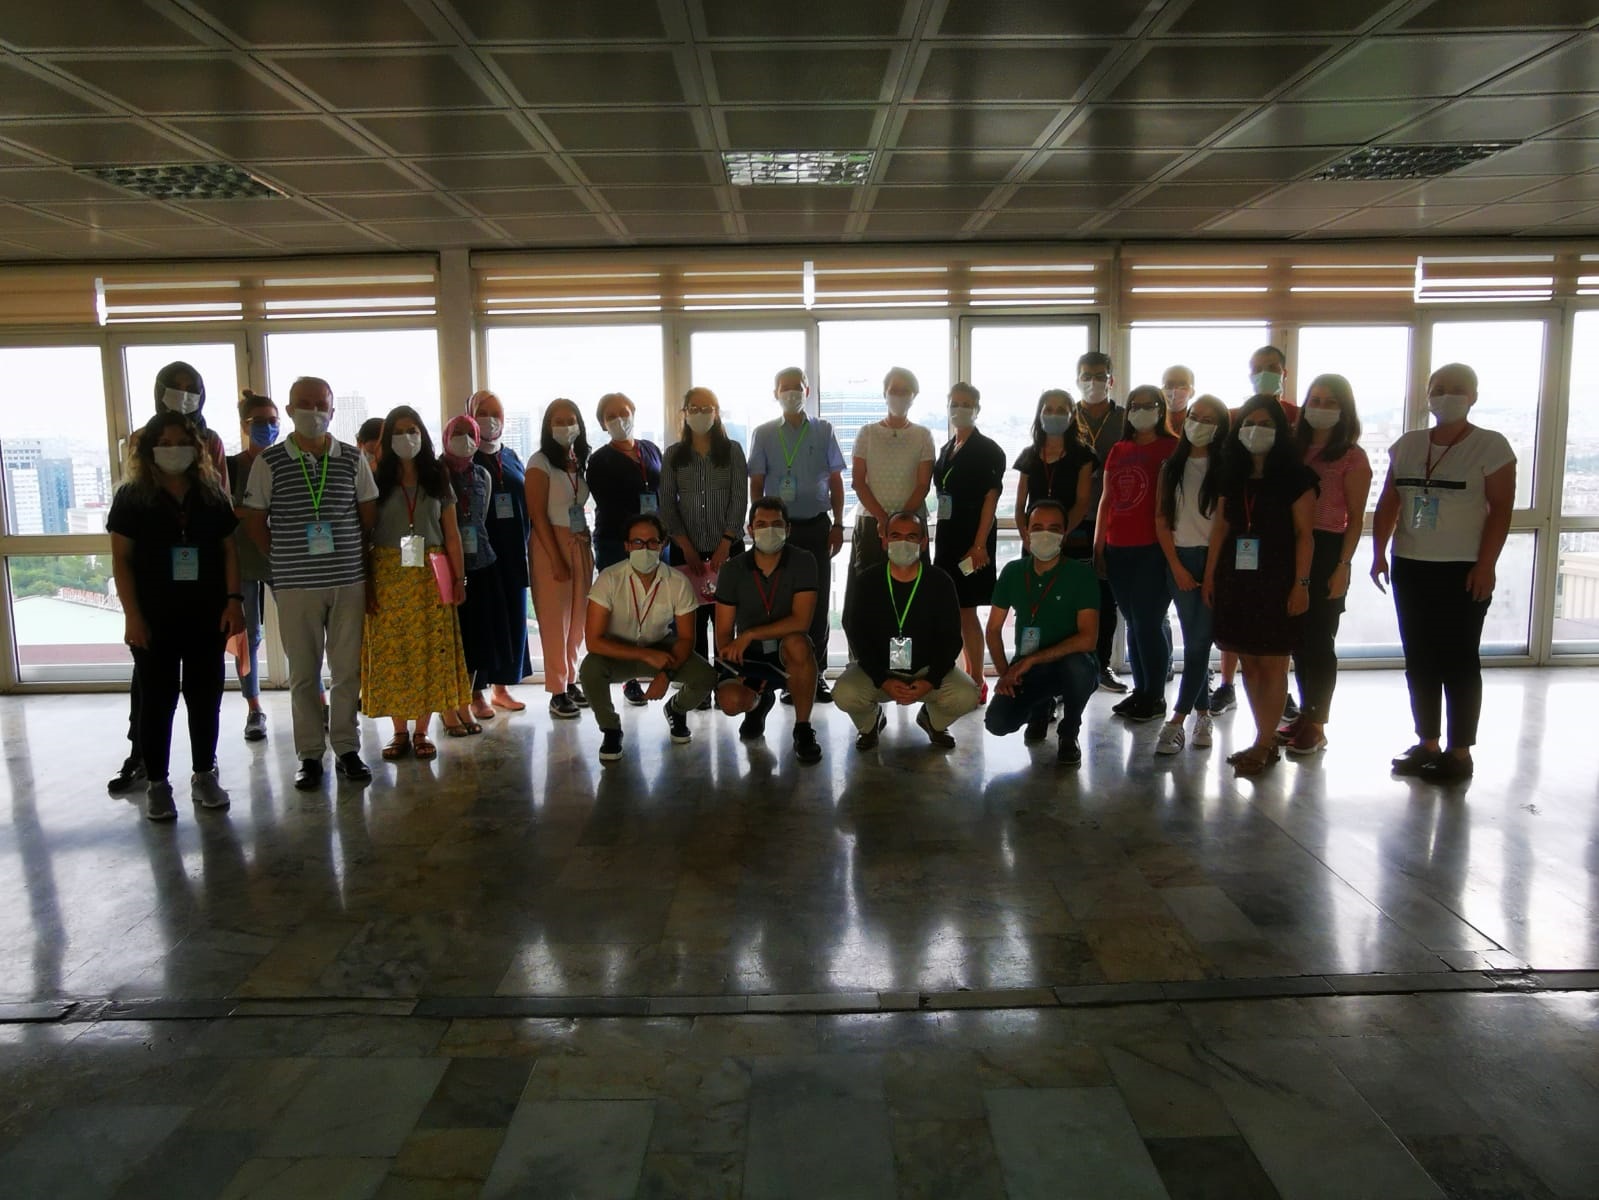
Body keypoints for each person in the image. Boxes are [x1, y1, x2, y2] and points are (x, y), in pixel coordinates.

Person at [1371, 363, 1514, 784]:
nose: (1446, 396)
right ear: (1427, 395)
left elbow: (1500, 510)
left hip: (1463, 568)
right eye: (1439, 389)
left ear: (1473, 397)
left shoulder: (1491, 446)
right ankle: (1427, 743)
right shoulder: (1408, 445)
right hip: (1412, 565)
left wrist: (1486, 565)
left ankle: (1459, 751)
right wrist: (1379, 553)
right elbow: (1389, 502)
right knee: (1419, 658)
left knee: (1459, 659)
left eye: (1457, 389)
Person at [242, 376, 377, 790]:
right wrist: (284, 560)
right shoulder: (270, 462)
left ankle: (347, 748)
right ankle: (310, 756)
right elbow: (252, 520)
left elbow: (367, 513)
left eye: (321, 404)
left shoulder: (353, 459)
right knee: (303, 673)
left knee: (346, 671)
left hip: (347, 581)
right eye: (304, 403)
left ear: (332, 411)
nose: (313, 411)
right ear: (289, 410)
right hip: (296, 585)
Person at [108, 412, 245, 820]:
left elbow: (228, 551)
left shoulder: (211, 494)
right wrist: (132, 616)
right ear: (149, 450)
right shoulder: (132, 497)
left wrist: (234, 600)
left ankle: (204, 774)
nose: (173, 451)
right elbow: (121, 560)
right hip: (154, 616)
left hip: (206, 612)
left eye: (180, 442)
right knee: (158, 700)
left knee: (205, 698)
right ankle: (157, 783)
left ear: (196, 448)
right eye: (164, 443)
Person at [1203, 395, 1317, 777]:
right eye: (1249, 423)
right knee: (1250, 663)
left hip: (1278, 578)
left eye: (1266, 423)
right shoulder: (1230, 473)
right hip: (1236, 578)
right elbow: (1221, 527)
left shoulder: (1297, 477)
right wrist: (1209, 575)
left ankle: (1267, 743)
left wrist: (1301, 584)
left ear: (1281, 432)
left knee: (1272, 664)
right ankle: (1261, 738)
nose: (1256, 430)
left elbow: (1305, 536)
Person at [363, 408, 473, 761]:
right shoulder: (375, 477)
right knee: (394, 654)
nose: (406, 437)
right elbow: (363, 533)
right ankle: (398, 732)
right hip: (388, 574)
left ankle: (423, 731)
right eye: (398, 431)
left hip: (432, 572)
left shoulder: (437, 475)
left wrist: (459, 578)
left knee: (430, 651)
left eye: (412, 430)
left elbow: (452, 534)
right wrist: (366, 584)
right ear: (387, 440)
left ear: (422, 434)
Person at [578, 512, 717, 763]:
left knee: (705, 676)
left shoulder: (678, 581)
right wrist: (644, 654)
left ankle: (676, 709)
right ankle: (611, 729)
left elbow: (686, 639)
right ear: (627, 546)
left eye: (652, 542)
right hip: (618, 650)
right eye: (638, 543)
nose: (645, 548)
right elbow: (594, 642)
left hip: (662, 647)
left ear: (662, 544)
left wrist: (666, 675)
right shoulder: (609, 579)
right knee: (589, 670)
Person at [834, 511, 978, 750]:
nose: (903, 542)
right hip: (878, 671)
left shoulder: (940, 581)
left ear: (923, 542)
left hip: (926, 671)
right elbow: (857, 634)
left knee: (967, 695)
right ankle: (870, 724)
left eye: (911, 536)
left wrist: (930, 681)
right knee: (845, 693)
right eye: (895, 536)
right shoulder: (868, 581)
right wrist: (883, 679)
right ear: (884, 540)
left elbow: (951, 640)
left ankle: (932, 720)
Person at [747, 366, 846, 703]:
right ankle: (787, 675)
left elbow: (835, 479)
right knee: (781, 603)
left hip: (817, 527)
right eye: (784, 387)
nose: (791, 392)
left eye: (797, 387)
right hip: (779, 532)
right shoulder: (763, 433)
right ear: (775, 393)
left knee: (816, 603)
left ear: (807, 390)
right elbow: (757, 483)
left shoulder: (824, 430)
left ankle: (815, 676)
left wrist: (838, 524)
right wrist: (761, 528)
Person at [1285, 374, 1372, 757]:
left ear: (1344, 410)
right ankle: (1304, 713)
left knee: (1319, 639)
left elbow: (1356, 517)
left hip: (1327, 549)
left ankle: (1317, 722)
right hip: (1288, 546)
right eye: (1314, 400)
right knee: (1296, 638)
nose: (1320, 408)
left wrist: (1343, 565)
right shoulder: (1292, 448)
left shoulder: (1352, 456)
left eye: (1330, 402)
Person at [1212, 344, 1300, 718]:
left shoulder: (1297, 417)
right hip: (1236, 543)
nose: (1264, 373)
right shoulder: (1235, 416)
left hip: (1278, 546)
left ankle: (1280, 699)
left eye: (1271, 367)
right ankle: (1228, 684)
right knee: (1236, 625)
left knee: (1276, 635)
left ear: (1284, 373)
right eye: (1257, 368)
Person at [984, 500, 1101, 765]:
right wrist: (1006, 674)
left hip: (1072, 665)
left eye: (1053, 528)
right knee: (997, 723)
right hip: (1029, 669)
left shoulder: (1081, 575)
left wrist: (1032, 659)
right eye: (1037, 527)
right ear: (1025, 532)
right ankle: (1040, 708)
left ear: (1064, 534)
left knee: (1077, 667)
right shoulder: (1013, 572)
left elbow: (1088, 638)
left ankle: (1069, 730)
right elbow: (992, 630)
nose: (1044, 534)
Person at [712, 498, 823, 763]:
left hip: (788, 653)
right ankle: (756, 703)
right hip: (750, 658)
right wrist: (732, 664)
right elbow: (724, 633)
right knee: (728, 700)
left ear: (788, 529)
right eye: (761, 524)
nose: (769, 530)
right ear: (749, 530)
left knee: (798, 643)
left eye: (776, 524)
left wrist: (750, 634)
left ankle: (803, 728)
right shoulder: (731, 569)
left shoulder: (804, 561)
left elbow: (800, 622)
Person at [1095, 384, 1178, 724]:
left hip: (1153, 550)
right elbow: (1106, 499)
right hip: (1118, 549)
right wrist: (1099, 545)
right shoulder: (1119, 449)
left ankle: (1154, 696)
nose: (1142, 410)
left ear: (1161, 409)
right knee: (1132, 623)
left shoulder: (1172, 448)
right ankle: (1141, 691)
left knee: (1147, 623)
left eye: (1149, 404)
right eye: (1135, 405)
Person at [1153, 394, 1229, 755]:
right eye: (1195, 416)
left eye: (1209, 419)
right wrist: (1176, 567)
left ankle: (1177, 720)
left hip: (1214, 560)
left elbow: (1222, 527)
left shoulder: (1225, 467)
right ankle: (1202, 713)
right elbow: (1161, 520)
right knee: (1196, 640)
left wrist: (1210, 574)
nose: (1199, 423)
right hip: (1178, 561)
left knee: (1200, 642)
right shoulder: (1172, 466)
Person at [842, 367, 935, 656]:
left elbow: (923, 483)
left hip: (910, 529)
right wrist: (884, 521)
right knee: (865, 597)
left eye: (905, 390)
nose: (898, 395)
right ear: (884, 393)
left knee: (914, 597)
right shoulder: (867, 433)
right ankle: (865, 661)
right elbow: (858, 481)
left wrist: (899, 523)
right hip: (872, 525)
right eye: (893, 389)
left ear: (914, 396)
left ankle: (913, 662)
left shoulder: (923, 435)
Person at [659, 387, 748, 670]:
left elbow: (739, 498)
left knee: (725, 618)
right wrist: (685, 547)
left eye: (706, 408)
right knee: (691, 622)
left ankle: (726, 679)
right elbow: (666, 504)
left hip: (728, 548)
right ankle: (697, 685)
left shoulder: (732, 450)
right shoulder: (673, 454)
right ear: (684, 414)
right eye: (693, 409)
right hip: (688, 552)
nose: (700, 414)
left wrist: (725, 543)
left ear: (717, 412)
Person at [932, 382, 1006, 702]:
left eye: (966, 403)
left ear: (977, 409)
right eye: (954, 402)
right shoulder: (947, 448)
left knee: (966, 611)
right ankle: (964, 672)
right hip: (947, 540)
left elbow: (991, 499)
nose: (959, 408)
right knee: (953, 609)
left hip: (972, 544)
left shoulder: (988, 450)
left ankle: (977, 680)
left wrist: (979, 546)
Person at [465, 389, 532, 718]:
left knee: (512, 621)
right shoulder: (465, 457)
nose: (490, 419)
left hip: (513, 551)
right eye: (482, 412)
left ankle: (501, 688)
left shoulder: (511, 456)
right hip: (480, 555)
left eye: (496, 413)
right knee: (483, 622)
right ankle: (475, 693)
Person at [443, 411, 512, 727]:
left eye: (470, 434)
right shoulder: (436, 474)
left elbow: (479, 519)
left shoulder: (481, 475)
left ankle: (471, 696)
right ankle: (451, 705)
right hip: (446, 568)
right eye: (457, 433)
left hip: (482, 563)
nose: (465, 440)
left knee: (479, 637)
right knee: (452, 638)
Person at [526, 398, 594, 719]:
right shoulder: (540, 462)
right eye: (558, 420)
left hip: (578, 542)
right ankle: (556, 690)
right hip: (549, 542)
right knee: (556, 621)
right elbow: (537, 514)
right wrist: (555, 556)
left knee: (577, 620)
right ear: (547, 426)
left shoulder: (578, 461)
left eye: (571, 419)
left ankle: (571, 679)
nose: (565, 425)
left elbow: (578, 508)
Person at [1072, 351, 1128, 694]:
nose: (1093, 381)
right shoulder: (1065, 417)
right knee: (1070, 596)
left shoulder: (1125, 419)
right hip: (1074, 521)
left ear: (1111, 379)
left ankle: (1102, 665)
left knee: (1107, 599)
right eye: (1086, 375)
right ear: (1077, 379)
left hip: (1114, 521)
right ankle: (1070, 670)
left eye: (1100, 375)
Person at [226, 389, 278, 742]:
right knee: (249, 637)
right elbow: (223, 509)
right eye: (259, 422)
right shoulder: (230, 466)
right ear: (244, 425)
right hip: (241, 560)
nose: (267, 428)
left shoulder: (284, 463)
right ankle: (254, 708)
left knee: (298, 632)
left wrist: (250, 512)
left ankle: (319, 699)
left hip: (280, 555)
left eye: (272, 421)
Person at [1013, 389, 1095, 542]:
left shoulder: (1083, 455)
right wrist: (1025, 534)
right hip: (1035, 538)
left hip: (1072, 536)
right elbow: (1019, 506)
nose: (1054, 415)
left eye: (1061, 411)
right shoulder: (1028, 456)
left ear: (1071, 418)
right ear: (1040, 415)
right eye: (1048, 410)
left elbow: (1082, 503)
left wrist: (1059, 534)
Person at [1162, 365, 1195, 435]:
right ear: (1162, 391)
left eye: (1182, 385)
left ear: (1192, 392)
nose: (1175, 390)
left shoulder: (1196, 427)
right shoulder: (1152, 424)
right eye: (1169, 384)